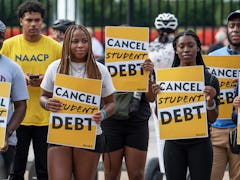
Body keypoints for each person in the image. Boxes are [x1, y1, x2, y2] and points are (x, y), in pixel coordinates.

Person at [40, 24, 115, 179]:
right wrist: (47, 103)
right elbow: (43, 96)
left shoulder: (100, 70)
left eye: (84, 41)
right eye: (75, 41)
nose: (80, 45)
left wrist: (103, 114)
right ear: (67, 43)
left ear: (90, 43)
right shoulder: (55, 67)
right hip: (60, 133)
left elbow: (112, 103)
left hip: (89, 135)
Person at [0, 1, 62, 179]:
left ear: (42, 21)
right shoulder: (8, 45)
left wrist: (46, 80)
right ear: (21, 21)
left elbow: (67, 77)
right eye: (29, 20)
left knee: (44, 170)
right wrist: (20, 80)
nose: (33, 24)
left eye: (37, 20)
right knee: (15, 169)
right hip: (15, 117)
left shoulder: (55, 47)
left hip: (46, 117)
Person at [156, 30, 219, 180]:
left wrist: (210, 102)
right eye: (181, 46)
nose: (186, 50)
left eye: (190, 45)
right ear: (176, 50)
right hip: (173, 143)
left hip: (200, 143)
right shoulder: (166, 78)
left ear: (198, 48)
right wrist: (159, 97)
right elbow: (160, 115)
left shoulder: (210, 79)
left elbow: (213, 118)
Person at [102, 58, 156, 180]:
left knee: (137, 175)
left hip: (137, 123)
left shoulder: (145, 64)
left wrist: (148, 75)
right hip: (111, 122)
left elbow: (151, 98)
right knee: (110, 175)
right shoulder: (103, 63)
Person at [208, 10, 240, 180]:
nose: (235, 29)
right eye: (232, 26)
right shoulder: (213, 58)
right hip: (216, 129)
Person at [0, 19, 28, 180]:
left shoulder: (13, 68)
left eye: (1, 37)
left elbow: (21, 106)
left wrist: (6, 132)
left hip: (4, 142)